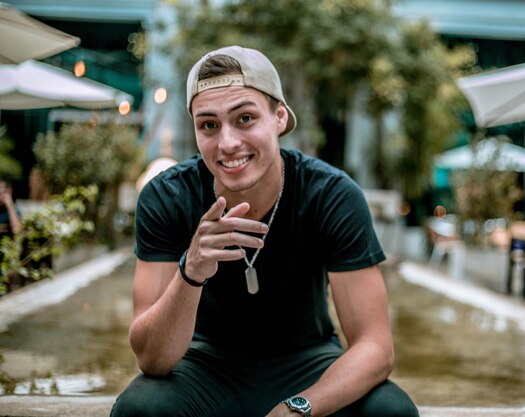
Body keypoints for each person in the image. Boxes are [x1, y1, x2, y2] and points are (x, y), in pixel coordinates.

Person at [110, 45, 418, 417]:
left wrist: (300, 408)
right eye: (209, 125)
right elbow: (152, 359)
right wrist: (190, 272)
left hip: (307, 360)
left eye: (244, 119)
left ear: (280, 117)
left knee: (391, 412)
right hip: (203, 364)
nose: (227, 143)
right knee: (139, 409)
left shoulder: (331, 195)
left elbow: (375, 348)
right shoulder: (166, 196)